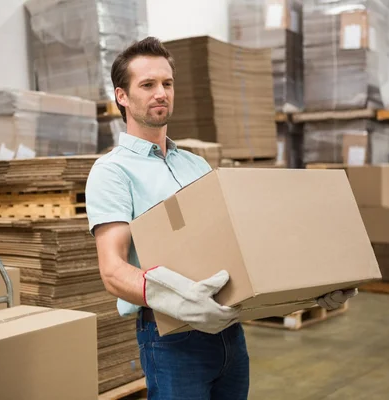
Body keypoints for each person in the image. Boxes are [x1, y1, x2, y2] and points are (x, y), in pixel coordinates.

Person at [85, 36, 357, 400]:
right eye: (147, 85)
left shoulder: (195, 164)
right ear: (122, 96)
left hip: (228, 330)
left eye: (167, 83)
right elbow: (112, 271)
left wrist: (313, 288)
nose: (161, 93)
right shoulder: (112, 171)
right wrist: (177, 300)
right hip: (171, 339)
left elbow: (238, 244)